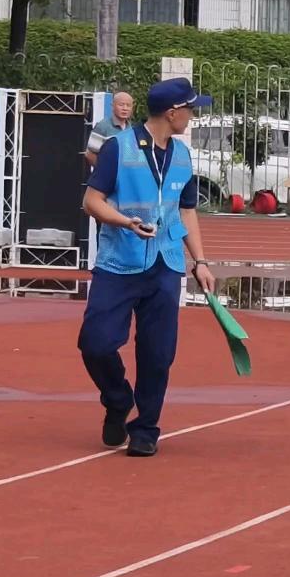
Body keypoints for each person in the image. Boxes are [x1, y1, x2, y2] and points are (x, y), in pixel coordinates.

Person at [77, 78, 216, 456]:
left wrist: (199, 260)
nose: (193, 115)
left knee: (158, 354)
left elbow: (186, 210)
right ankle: (118, 399)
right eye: (190, 109)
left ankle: (146, 428)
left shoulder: (183, 155)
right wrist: (125, 223)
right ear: (173, 113)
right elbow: (92, 201)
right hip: (118, 264)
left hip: (165, 265)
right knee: (95, 343)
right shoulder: (117, 148)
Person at [86, 91, 135, 167]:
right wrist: (103, 171)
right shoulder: (102, 126)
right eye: (121, 105)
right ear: (113, 106)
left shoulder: (131, 128)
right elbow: (90, 154)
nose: (125, 108)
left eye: (128, 105)